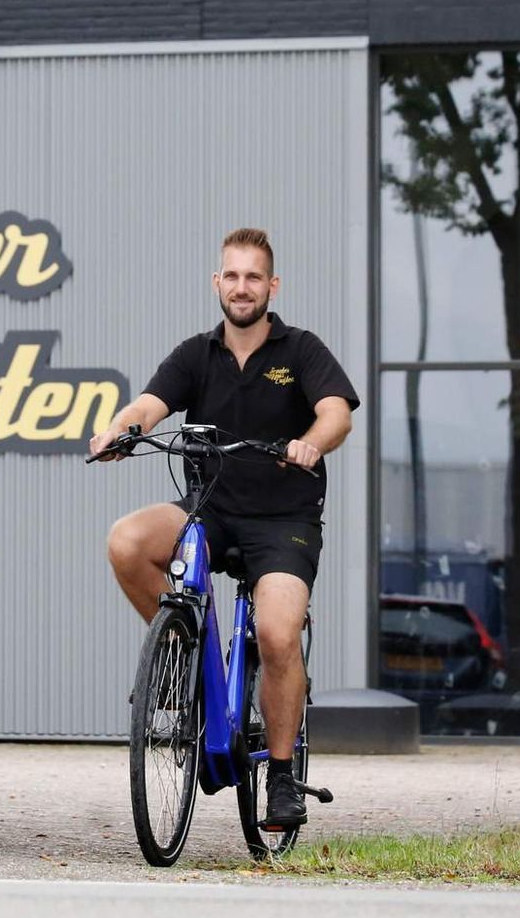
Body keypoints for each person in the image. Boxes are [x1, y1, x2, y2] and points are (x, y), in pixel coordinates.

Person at [90, 228, 358, 829]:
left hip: (283, 521)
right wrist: (120, 431)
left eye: (253, 277)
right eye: (232, 276)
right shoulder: (196, 353)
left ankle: (282, 776)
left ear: (272, 286)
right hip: (208, 510)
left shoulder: (300, 349)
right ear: (217, 283)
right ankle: (186, 660)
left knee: (277, 634)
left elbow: (336, 413)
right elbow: (149, 404)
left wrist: (312, 444)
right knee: (126, 541)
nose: (242, 287)